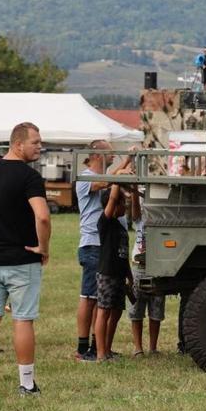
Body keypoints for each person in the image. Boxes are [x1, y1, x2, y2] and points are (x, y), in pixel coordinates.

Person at [0, 122, 50, 396]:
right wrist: (43, 247)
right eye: (36, 142)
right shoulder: (30, 177)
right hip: (22, 258)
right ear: (18, 144)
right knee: (23, 320)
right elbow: (42, 215)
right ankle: (26, 384)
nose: (40, 146)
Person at [73, 140, 113, 361]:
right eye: (111, 153)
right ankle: (82, 348)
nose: (114, 157)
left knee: (99, 298)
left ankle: (97, 347)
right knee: (88, 297)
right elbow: (104, 183)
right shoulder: (86, 177)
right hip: (91, 244)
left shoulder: (98, 177)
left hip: (101, 244)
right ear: (98, 155)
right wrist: (125, 162)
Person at [94, 183, 132, 361]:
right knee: (104, 311)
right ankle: (101, 353)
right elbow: (112, 198)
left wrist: (129, 277)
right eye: (123, 202)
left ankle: (108, 349)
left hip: (119, 274)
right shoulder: (105, 222)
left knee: (116, 312)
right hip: (107, 273)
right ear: (114, 204)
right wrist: (116, 180)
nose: (126, 206)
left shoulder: (121, 226)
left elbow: (124, 254)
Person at [127, 182, 164, 356]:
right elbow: (134, 208)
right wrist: (134, 191)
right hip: (139, 266)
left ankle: (153, 347)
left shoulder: (161, 220)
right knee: (136, 307)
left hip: (156, 266)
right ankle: (138, 348)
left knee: (156, 307)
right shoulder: (139, 219)